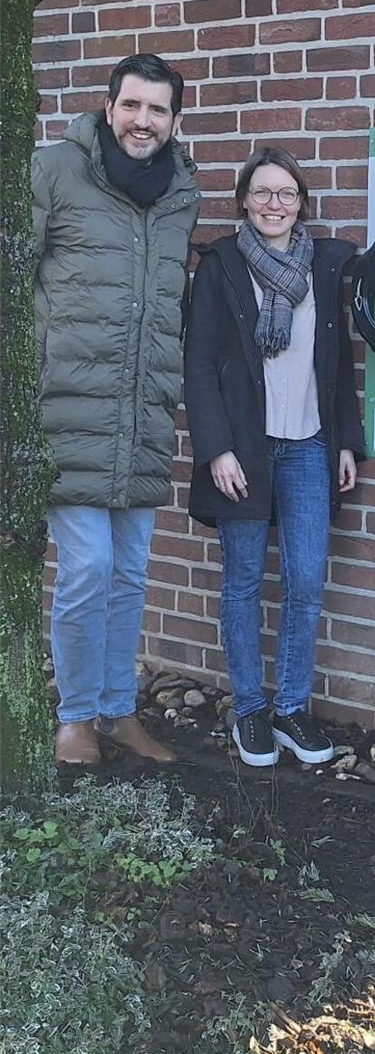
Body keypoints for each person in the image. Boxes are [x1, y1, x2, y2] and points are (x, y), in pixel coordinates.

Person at [34, 53, 200, 766]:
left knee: (131, 572)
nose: (143, 121)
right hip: (67, 411)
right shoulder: (56, 171)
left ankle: (116, 711)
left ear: (173, 119)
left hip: (142, 417)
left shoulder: (180, 193)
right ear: (108, 108)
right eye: (132, 105)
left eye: (157, 110)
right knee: (88, 569)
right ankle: (74, 716)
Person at [183, 147, 363, 768]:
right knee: (241, 583)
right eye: (262, 193)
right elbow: (200, 365)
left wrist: (345, 441)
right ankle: (250, 712)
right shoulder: (221, 267)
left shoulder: (326, 267)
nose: (274, 204)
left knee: (306, 581)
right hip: (246, 450)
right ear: (243, 200)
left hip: (309, 443)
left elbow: (336, 365)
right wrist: (217, 449)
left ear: (301, 203)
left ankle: (290, 708)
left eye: (286, 193)